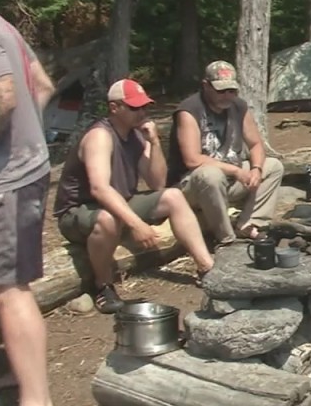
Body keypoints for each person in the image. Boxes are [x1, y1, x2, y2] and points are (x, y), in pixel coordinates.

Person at [53, 78, 215, 315]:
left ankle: (206, 267)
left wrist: (154, 142)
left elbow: (157, 182)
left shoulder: (136, 135)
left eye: (144, 106)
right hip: (79, 210)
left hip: (119, 202)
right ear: (114, 107)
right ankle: (102, 286)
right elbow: (99, 189)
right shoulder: (100, 136)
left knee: (173, 196)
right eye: (135, 107)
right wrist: (136, 223)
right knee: (107, 219)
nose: (142, 112)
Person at [0, 13, 56, 406]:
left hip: (8, 180)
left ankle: (36, 399)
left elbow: (3, 95)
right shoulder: (4, 24)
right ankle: (9, 375)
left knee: (9, 291)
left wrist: (10, 147)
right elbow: (44, 85)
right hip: (25, 168)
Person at [167, 61, 285, 244]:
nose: (227, 96)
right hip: (191, 185)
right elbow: (192, 160)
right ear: (206, 86)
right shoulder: (189, 110)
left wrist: (256, 169)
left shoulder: (239, 107)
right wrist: (236, 171)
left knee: (273, 166)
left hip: (229, 179)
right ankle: (225, 237)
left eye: (232, 91)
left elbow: (255, 144)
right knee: (210, 174)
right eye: (221, 91)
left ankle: (249, 224)